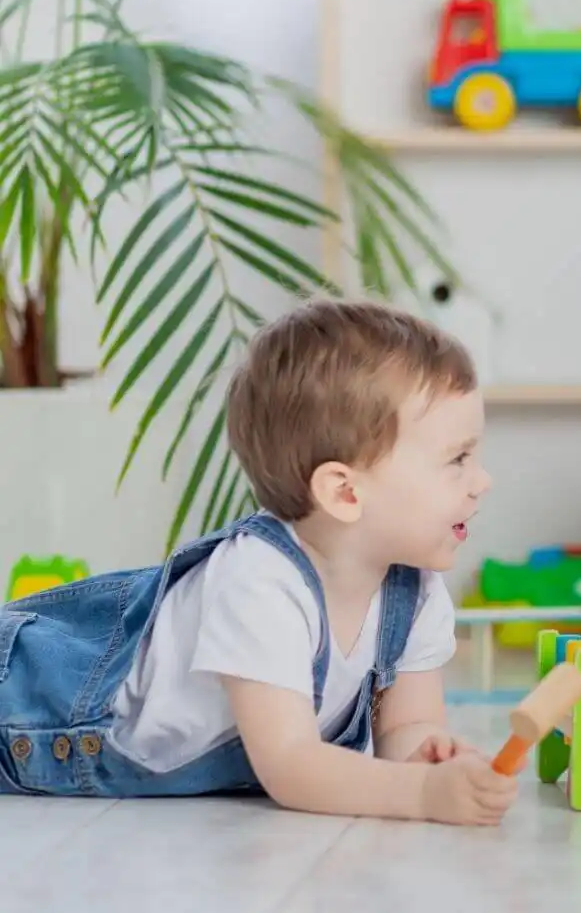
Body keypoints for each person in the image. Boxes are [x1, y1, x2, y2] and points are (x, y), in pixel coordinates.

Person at [0, 297, 520, 825]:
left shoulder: (415, 589)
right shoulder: (260, 581)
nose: (483, 481)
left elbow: (406, 728)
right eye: (457, 459)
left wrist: (432, 761)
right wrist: (420, 795)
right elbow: (290, 763)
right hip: (25, 709)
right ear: (344, 492)